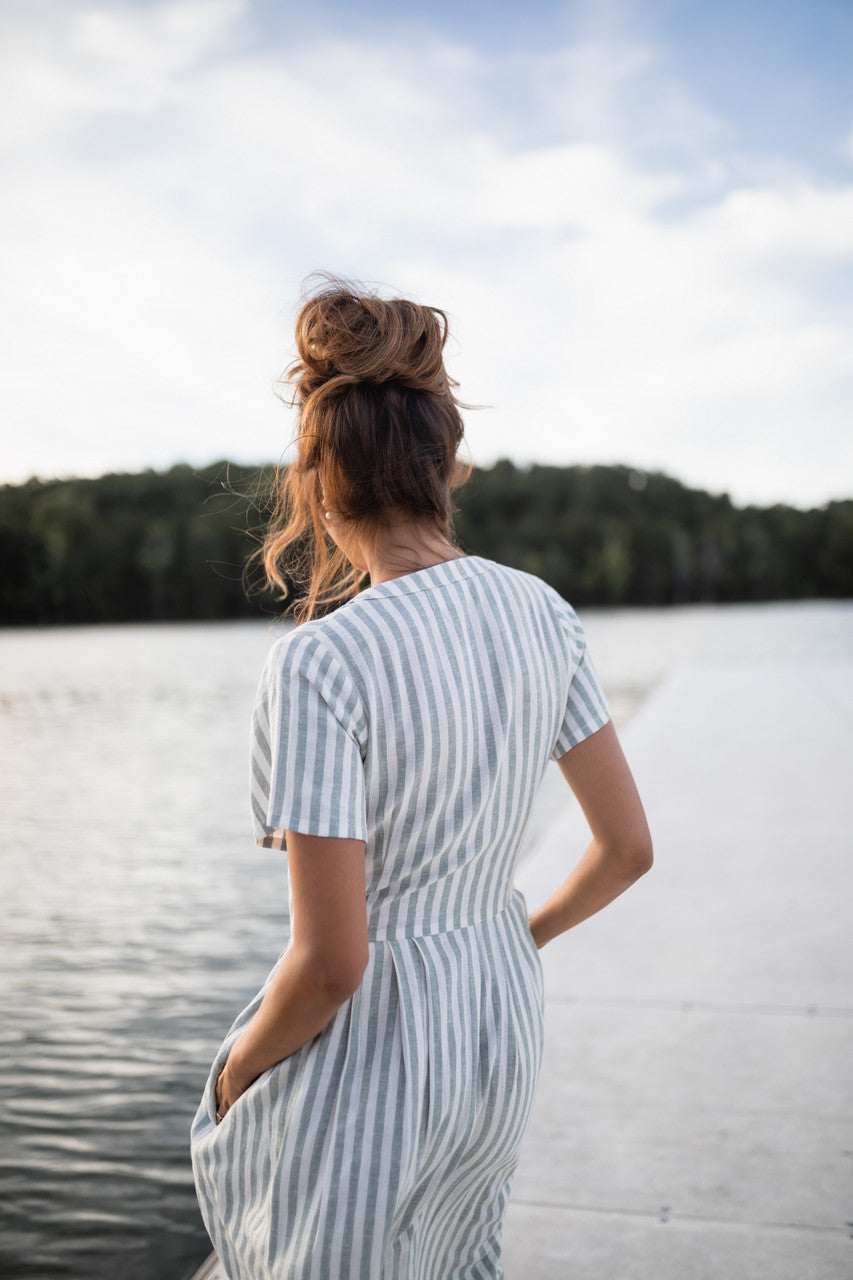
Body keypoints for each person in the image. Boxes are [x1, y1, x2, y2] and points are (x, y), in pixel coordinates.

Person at [189, 274, 653, 1279]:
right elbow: (625, 850)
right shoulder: (542, 612)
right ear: (446, 462)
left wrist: (234, 1069)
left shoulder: (321, 661)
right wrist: (508, 931)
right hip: (494, 1021)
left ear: (319, 480)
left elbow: (333, 962)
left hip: (375, 1055)